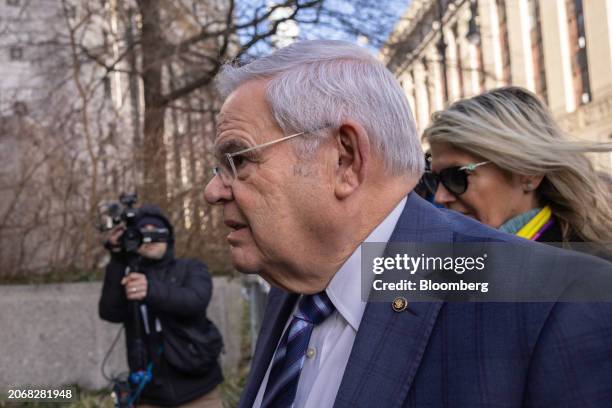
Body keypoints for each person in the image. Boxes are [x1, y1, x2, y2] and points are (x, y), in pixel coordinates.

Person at [204, 40, 612, 407]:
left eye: (239, 160)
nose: (212, 191)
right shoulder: (294, 289)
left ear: (345, 159)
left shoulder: (560, 304)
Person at [422, 86, 612, 244]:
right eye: (434, 179)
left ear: (529, 172)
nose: (439, 197)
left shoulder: (589, 275)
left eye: (456, 177)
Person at [99, 205, 223, 408]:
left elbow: (195, 300)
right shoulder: (128, 274)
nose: (151, 240)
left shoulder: (190, 267)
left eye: (157, 233)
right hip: (149, 394)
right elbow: (109, 311)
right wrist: (117, 256)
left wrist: (150, 291)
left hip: (199, 390)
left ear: (169, 238)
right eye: (144, 233)